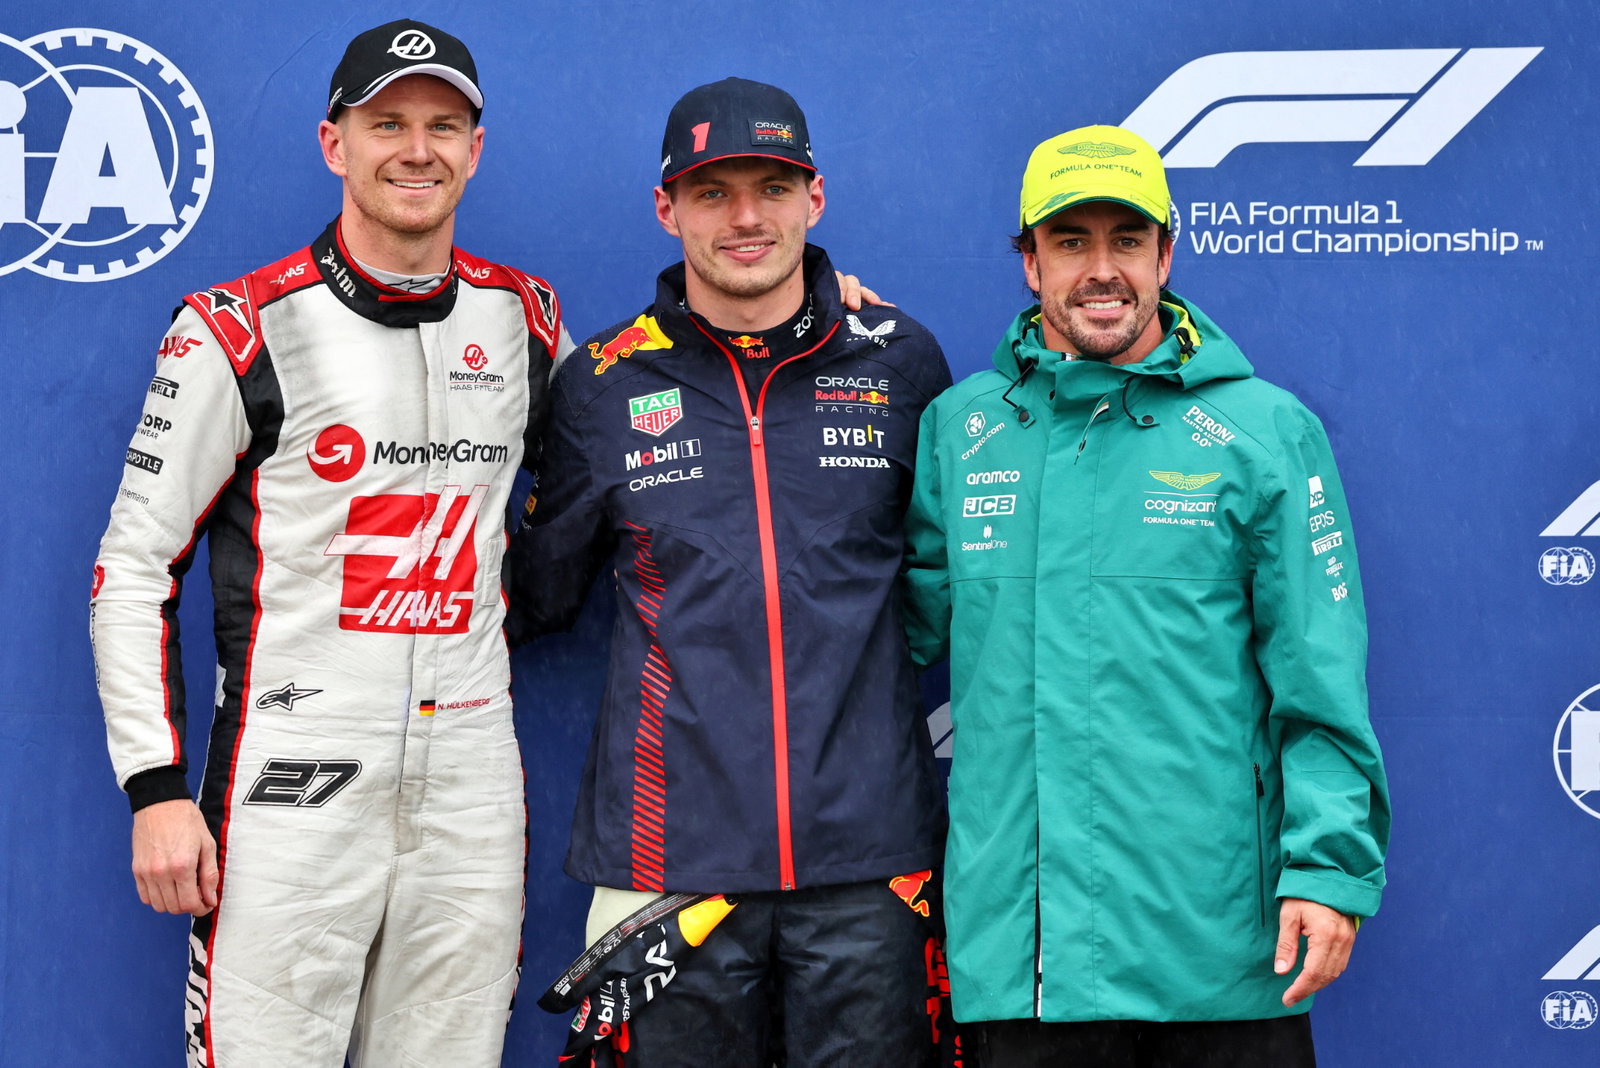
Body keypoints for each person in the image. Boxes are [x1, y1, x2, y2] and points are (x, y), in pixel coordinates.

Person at [89, 20, 570, 1066]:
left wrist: (822, 310)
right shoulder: (236, 327)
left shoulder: (525, 320)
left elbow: (635, 436)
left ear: (475, 149)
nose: (416, 148)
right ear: (331, 142)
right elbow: (130, 569)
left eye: (444, 125)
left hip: (472, 783)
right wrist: (157, 789)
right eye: (386, 121)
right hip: (291, 781)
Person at [900, 125, 1391, 1066]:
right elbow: (889, 640)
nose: (1101, 270)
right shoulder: (959, 429)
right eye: (1070, 241)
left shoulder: (1263, 430)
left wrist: (1329, 871)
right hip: (1024, 960)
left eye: (1126, 241)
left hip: (1220, 955)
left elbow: (1320, 680)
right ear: (1029, 261)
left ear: (1166, 253)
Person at [509, 78, 953, 1066]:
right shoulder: (601, 383)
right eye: (712, 192)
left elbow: (949, 586)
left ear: (816, 198)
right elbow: (533, 597)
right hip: (670, 872)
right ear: (666, 208)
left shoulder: (902, 360)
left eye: (772, 186)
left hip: (871, 867)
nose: (746, 217)